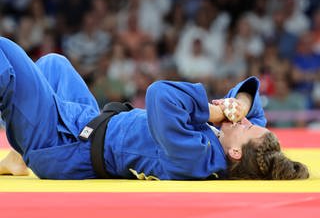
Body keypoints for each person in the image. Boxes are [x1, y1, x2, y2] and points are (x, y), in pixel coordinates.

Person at [0, 37, 309, 180]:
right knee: (55, 64)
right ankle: (20, 153)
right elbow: (253, 109)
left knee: (6, 52)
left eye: (247, 128)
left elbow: (160, 95)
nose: (244, 121)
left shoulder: (195, 158)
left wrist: (216, 112)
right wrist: (240, 105)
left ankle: (30, 149)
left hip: (65, 145)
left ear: (236, 153)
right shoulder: (223, 145)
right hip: (86, 123)